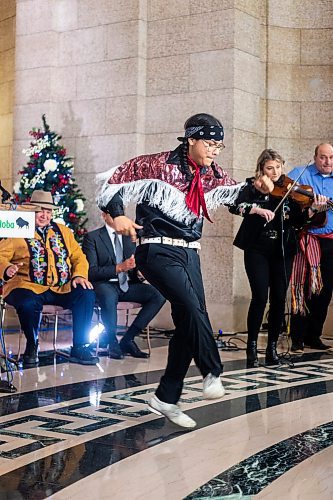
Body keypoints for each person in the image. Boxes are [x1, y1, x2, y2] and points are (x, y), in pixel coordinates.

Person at [96, 112, 272, 428]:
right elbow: (113, 183)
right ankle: (212, 372)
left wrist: (256, 190)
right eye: (210, 143)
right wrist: (118, 214)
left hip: (190, 253)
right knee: (193, 309)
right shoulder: (155, 164)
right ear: (191, 139)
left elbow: (233, 195)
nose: (215, 151)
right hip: (156, 249)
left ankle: (165, 396)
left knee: (189, 322)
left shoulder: (212, 173)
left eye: (219, 146)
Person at [229, 149, 326, 367]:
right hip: (257, 248)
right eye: (269, 168)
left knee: (279, 299)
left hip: (283, 249)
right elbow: (235, 206)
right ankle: (251, 348)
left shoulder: (291, 189)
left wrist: (313, 211)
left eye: (278, 167)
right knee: (260, 297)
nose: (275, 173)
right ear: (261, 169)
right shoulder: (252, 187)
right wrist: (257, 208)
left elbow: (298, 222)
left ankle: (272, 349)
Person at [0, 190, 98, 366]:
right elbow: (0, 255)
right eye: (40, 211)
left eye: (48, 211)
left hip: (60, 287)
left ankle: (80, 347)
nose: (44, 215)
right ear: (31, 211)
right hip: (26, 285)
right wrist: (7, 268)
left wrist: (78, 275)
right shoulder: (18, 230)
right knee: (28, 303)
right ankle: (32, 344)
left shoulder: (64, 232)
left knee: (86, 294)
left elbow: (79, 257)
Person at [82, 211, 166, 359]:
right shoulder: (92, 237)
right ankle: (112, 341)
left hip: (126, 284)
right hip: (104, 284)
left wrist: (139, 274)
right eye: (112, 214)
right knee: (108, 295)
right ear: (104, 216)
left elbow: (133, 267)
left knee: (158, 295)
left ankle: (128, 339)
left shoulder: (129, 238)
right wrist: (119, 267)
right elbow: (91, 272)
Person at [288, 143, 333, 353]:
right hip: (307, 240)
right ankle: (297, 338)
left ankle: (313, 336)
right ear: (315, 157)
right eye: (323, 157)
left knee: (324, 291)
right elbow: (286, 195)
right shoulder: (300, 173)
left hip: (331, 241)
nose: (327, 162)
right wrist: (309, 205)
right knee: (302, 289)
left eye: (331, 158)